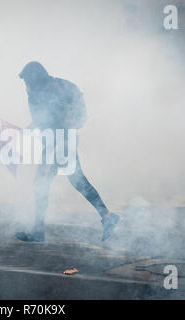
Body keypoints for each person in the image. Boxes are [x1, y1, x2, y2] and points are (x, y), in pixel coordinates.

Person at [15, 61, 119, 243]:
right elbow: (59, 118)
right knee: (76, 181)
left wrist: (32, 130)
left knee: (42, 184)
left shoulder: (39, 93)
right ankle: (107, 216)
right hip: (66, 138)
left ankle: (38, 230)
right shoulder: (61, 85)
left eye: (26, 80)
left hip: (58, 143)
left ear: (34, 78)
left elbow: (45, 120)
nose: (25, 85)